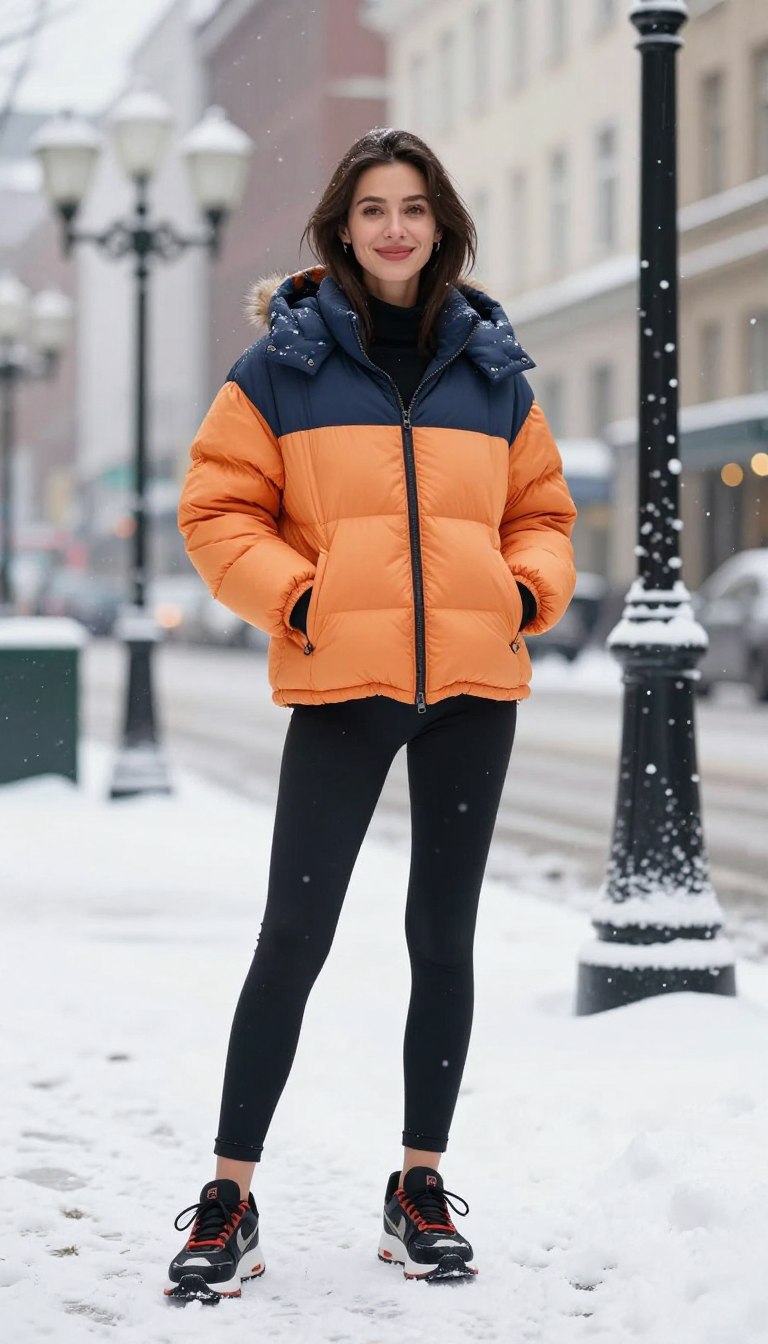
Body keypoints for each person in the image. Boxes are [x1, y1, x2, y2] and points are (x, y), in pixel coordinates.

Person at [166, 127, 576, 1304]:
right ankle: (229, 1197)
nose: (394, 228)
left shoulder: (494, 368)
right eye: (371, 210)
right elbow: (217, 510)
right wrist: (296, 595)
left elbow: (541, 512)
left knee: (442, 941)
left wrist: (522, 589)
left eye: (414, 208)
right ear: (342, 231)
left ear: (441, 224)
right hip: (342, 686)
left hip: (470, 693)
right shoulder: (282, 366)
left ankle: (419, 1186)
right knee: (292, 938)